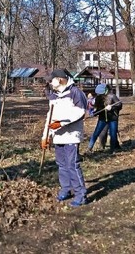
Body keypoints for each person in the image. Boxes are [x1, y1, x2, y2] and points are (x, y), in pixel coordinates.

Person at [41, 69, 88, 207]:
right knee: (61, 165)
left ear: (60, 79)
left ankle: (81, 195)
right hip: (58, 136)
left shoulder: (75, 92)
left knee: (72, 165)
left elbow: (80, 112)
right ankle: (66, 189)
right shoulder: (54, 95)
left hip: (71, 136)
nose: (50, 82)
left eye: (51, 80)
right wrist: (45, 136)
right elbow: (50, 117)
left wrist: (61, 123)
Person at [88, 83, 122, 153]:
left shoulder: (112, 96)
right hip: (102, 119)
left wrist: (112, 107)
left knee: (113, 134)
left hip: (112, 118)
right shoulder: (98, 98)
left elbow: (119, 105)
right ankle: (89, 148)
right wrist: (94, 113)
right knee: (96, 133)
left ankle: (112, 150)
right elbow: (98, 109)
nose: (99, 95)